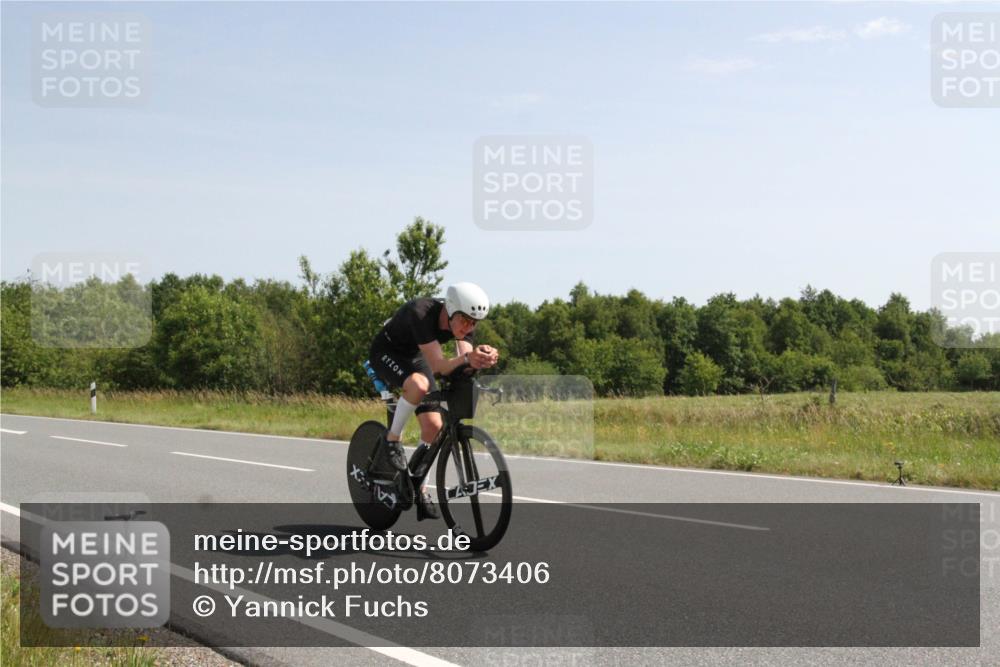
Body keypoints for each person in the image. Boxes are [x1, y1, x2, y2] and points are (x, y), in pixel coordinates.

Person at [367, 282, 499, 520]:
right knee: (418, 385)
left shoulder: (463, 322)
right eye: (465, 320)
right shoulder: (422, 313)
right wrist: (468, 357)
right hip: (387, 352)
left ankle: (419, 487)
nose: (469, 326)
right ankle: (392, 439)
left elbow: (462, 361)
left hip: (417, 356)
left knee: (434, 426)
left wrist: (481, 359)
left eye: (474, 322)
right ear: (450, 310)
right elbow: (439, 367)